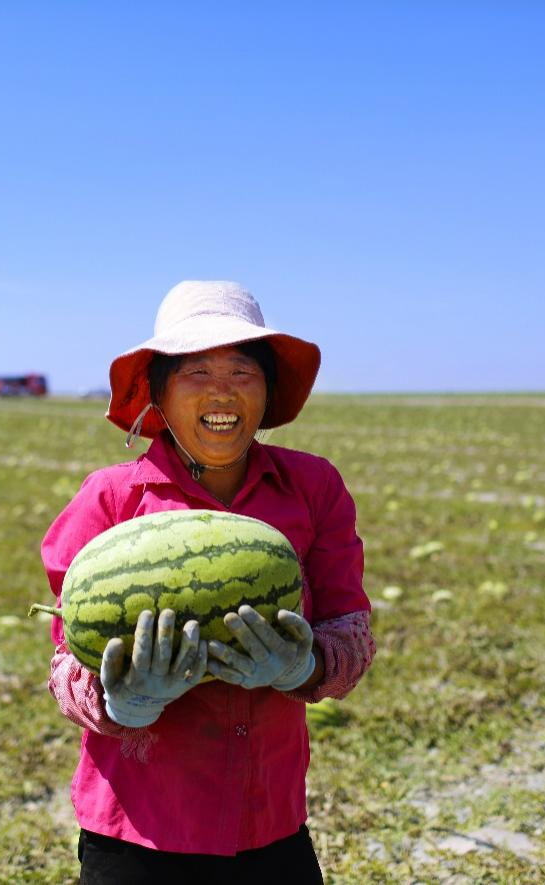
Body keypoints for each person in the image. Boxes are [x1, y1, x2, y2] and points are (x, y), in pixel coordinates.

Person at [41, 281, 375, 884]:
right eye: (196, 370)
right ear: (160, 393)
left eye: (242, 369)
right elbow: (67, 667)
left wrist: (302, 668)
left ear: (267, 390)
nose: (222, 389)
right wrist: (125, 700)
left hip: (268, 825)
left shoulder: (314, 488)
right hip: (139, 834)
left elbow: (351, 632)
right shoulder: (111, 499)